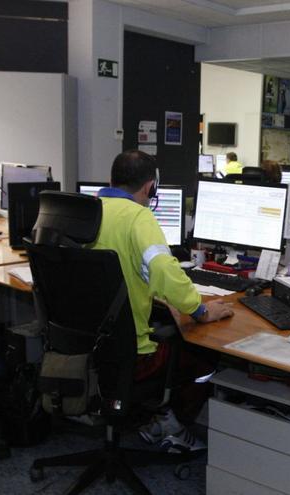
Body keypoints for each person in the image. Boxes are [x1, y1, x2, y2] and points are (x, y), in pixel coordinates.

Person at [90, 150, 233, 451]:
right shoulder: (139, 217)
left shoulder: (88, 211)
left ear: (110, 181)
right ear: (149, 187)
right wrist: (201, 310)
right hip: (135, 354)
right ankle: (169, 423)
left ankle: (153, 417)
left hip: (89, 343)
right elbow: (163, 269)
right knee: (206, 357)